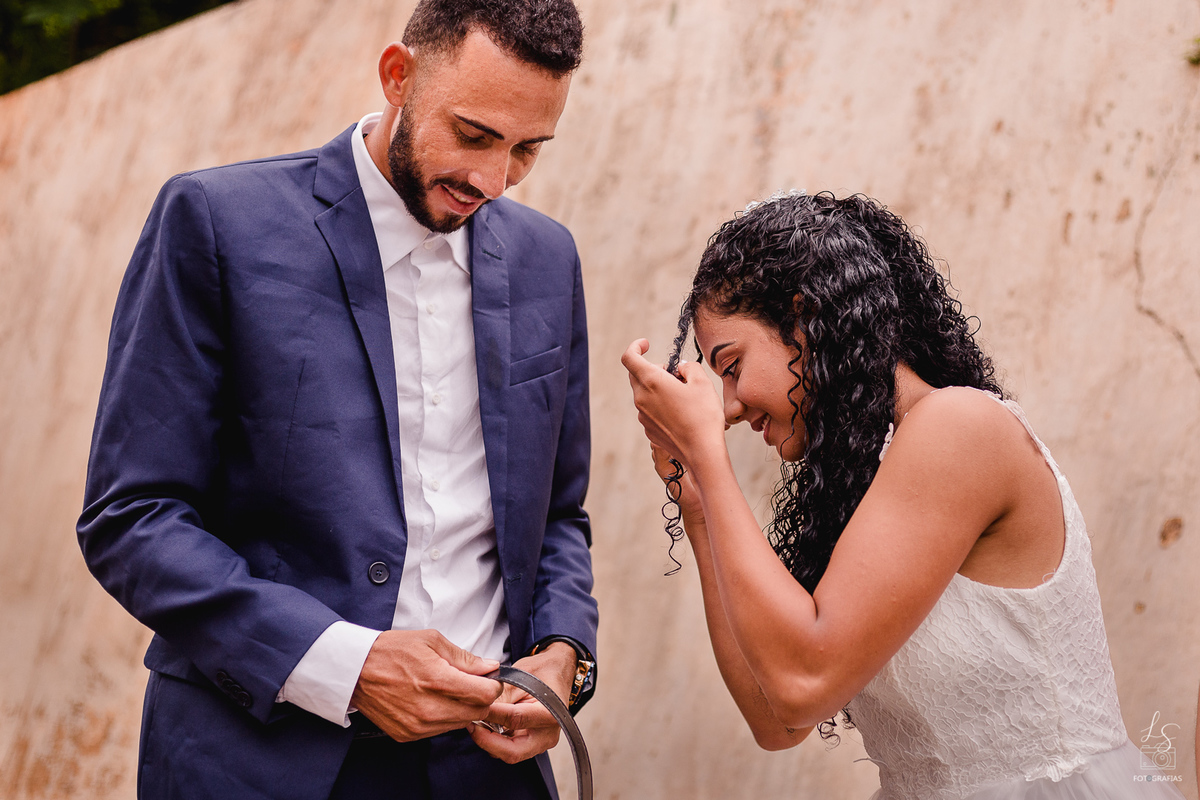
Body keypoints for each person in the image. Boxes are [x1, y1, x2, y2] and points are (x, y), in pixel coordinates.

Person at [77, 2, 597, 798]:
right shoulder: (218, 224)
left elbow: (557, 515)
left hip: (486, 771)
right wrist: (344, 665)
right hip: (259, 758)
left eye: (528, 149)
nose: (493, 182)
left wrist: (565, 651)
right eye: (473, 134)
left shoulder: (547, 259)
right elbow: (132, 517)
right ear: (398, 76)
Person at [622, 191, 1185, 799]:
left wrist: (708, 453)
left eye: (731, 366)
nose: (729, 408)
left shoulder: (958, 429)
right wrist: (698, 501)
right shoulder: (866, 480)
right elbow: (777, 718)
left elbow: (802, 682)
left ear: (806, 321)